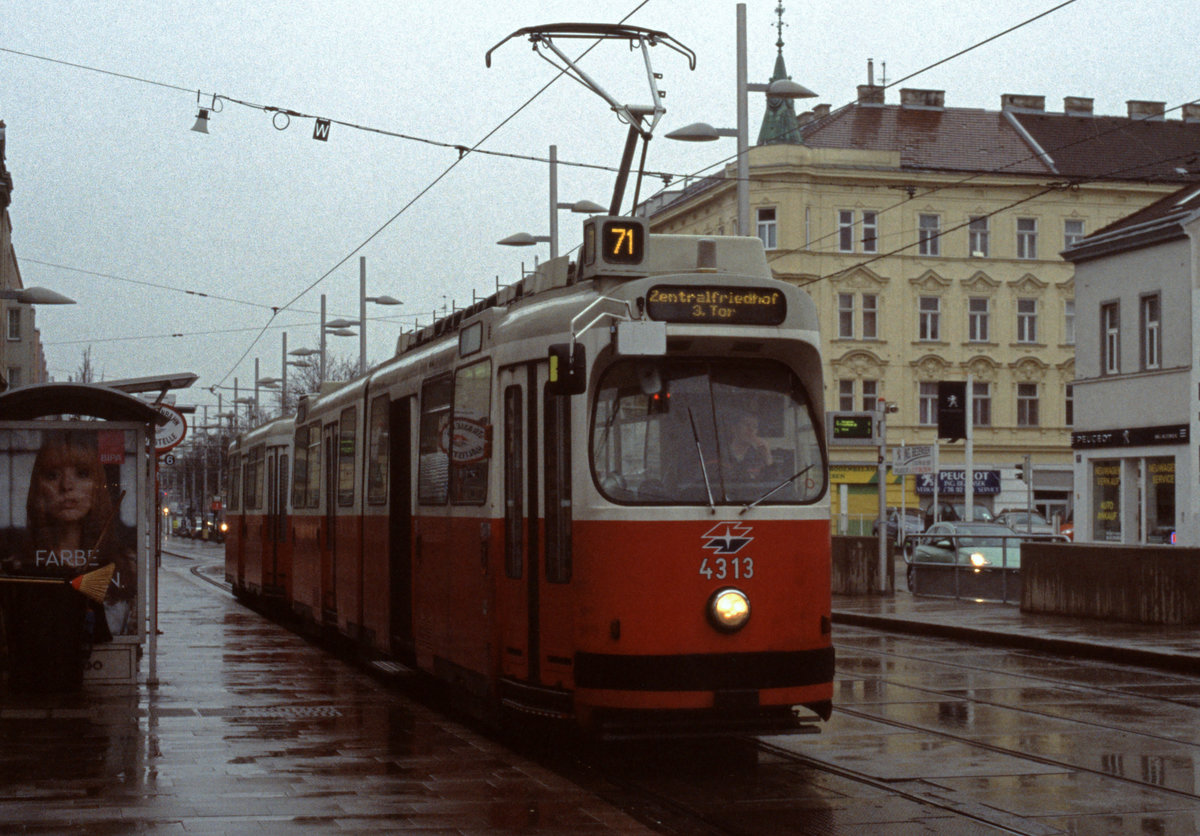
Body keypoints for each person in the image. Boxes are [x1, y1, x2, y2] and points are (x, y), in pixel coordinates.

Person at [1, 432, 136, 692]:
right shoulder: (16, 561)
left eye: (82, 473)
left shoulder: (124, 564)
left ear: (97, 485)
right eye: (52, 475)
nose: (66, 486)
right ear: (37, 486)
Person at [725, 411, 773, 481]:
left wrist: (767, 454)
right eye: (747, 425)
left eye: (755, 427)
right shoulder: (722, 454)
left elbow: (772, 482)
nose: (751, 430)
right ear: (734, 428)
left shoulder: (759, 455)